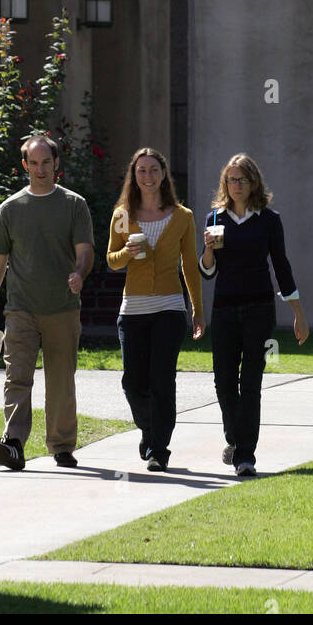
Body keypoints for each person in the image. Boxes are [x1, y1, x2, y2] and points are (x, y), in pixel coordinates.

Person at [0, 132, 95, 471]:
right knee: (17, 377)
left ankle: (61, 447)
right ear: (25, 165)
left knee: (61, 379)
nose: (40, 168)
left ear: (56, 164)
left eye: (46, 162)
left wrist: (79, 273)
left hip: (62, 307)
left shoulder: (74, 205)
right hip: (20, 309)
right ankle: (13, 443)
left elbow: (85, 252)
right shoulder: (10, 209)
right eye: (34, 162)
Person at [200, 153, 309, 477]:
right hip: (224, 309)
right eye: (231, 180)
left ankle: (245, 456)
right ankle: (235, 437)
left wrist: (298, 314)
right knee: (223, 381)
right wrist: (207, 249)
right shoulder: (215, 219)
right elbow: (207, 273)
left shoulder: (268, 220)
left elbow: (282, 266)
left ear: (253, 183)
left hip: (259, 310)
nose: (236, 185)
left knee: (250, 382)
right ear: (225, 183)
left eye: (242, 180)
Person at [107, 147, 204, 472]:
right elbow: (111, 259)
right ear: (134, 177)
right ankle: (148, 431)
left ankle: (159, 450)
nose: (147, 176)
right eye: (141, 171)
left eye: (153, 170)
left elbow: (190, 264)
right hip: (132, 310)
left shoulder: (183, 217)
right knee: (133, 382)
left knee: (163, 380)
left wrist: (197, 310)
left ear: (164, 175)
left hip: (169, 308)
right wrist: (128, 254)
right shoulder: (122, 214)